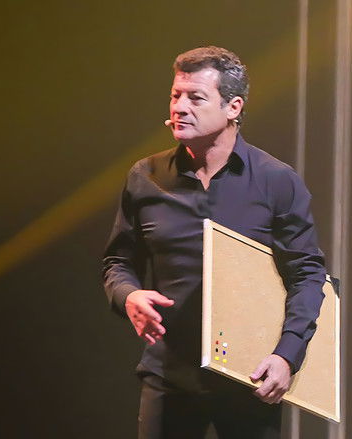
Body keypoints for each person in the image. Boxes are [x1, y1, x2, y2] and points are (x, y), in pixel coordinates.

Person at [102, 46, 327, 439]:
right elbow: (117, 262)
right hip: (168, 378)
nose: (180, 107)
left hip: (249, 377)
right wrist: (129, 296)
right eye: (176, 95)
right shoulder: (146, 177)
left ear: (233, 107)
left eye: (196, 98)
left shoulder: (275, 180)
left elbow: (307, 274)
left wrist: (287, 355)